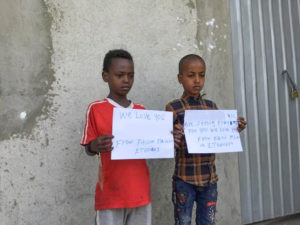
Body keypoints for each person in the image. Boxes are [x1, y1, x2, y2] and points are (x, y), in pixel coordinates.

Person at [166, 54, 247, 225]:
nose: (197, 80)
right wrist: (173, 134)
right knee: (183, 221)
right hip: (184, 179)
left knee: (208, 222)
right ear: (180, 78)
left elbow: (219, 135)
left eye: (201, 75)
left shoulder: (211, 107)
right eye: (191, 75)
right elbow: (166, 142)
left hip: (209, 179)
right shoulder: (173, 108)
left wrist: (233, 128)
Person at [80, 49, 151, 225]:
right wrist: (93, 146)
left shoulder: (142, 111)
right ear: (106, 76)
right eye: (120, 75)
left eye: (131, 75)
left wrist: (168, 136)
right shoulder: (96, 109)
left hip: (140, 192)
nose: (126, 80)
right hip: (111, 194)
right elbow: (88, 148)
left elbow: (153, 143)